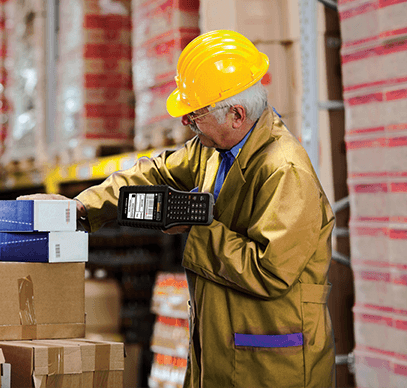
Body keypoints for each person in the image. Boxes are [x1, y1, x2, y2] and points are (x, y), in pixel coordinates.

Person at [19, 30, 336, 387]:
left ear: (236, 114)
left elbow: (270, 271)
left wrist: (195, 226)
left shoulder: (285, 172)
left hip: (272, 364)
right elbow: (155, 170)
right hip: (222, 350)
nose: (187, 123)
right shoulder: (213, 150)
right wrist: (82, 205)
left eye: (196, 114)